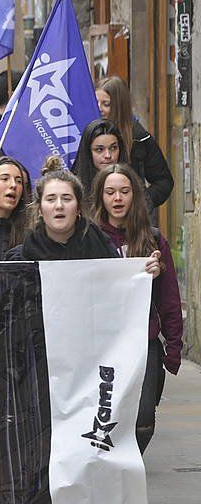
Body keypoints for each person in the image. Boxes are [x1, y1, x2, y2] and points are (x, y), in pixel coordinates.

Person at [5, 154, 157, 504]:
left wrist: (142, 274)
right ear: (40, 207)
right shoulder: (22, 256)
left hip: (92, 379)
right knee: (55, 470)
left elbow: (120, 295)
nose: (58, 206)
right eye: (50, 199)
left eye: (66, 199)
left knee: (95, 460)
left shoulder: (99, 250)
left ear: (78, 205)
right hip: (43, 380)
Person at [92, 163, 182, 452]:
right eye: (110, 192)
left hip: (144, 343)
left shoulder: (153, 239)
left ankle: (130, 465)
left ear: (134, 196)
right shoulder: (88, 238)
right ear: (101, 197)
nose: (117, 198)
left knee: (143, 421)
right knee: (105, 419)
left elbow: (168, 297)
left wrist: (174, 346)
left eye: (124, 191)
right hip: (101, 344)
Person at [96, 76, 174, 214]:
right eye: (96, 103)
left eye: (106, 104)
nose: (99, 109)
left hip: (133, 221)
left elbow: (163, 181)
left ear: (118, 107)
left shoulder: (139, 138)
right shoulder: (88, 134)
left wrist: (141, 202)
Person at [71, 120, 127, 208]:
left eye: (113, 148)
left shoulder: (131, 183)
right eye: (99, 150)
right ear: (88, 152)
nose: (108, 155)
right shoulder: (73, 188)